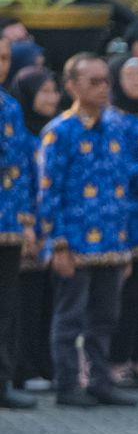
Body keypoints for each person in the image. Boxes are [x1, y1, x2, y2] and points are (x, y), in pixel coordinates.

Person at [36, 54, 138, 408]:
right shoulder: (59, 133)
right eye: (92, 82)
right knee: (70, 319)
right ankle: (67, 384)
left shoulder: (118, 129)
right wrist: (58, 244)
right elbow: (48, 192)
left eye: (105, 81)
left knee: (105, 317)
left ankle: (100, 380)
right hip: (74, 242)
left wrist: (124, 245)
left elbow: (123, 188)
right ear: (72, 86)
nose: (102, 88)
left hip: (110, 241)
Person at [8, 66, 59, 392]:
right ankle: (20, 369)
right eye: (44, 91)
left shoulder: (54, 131)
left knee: (47, 302)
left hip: (49, 228)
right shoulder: (19, 133)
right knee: (22, 305)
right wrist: (27, 225)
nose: (52, 98)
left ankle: (44, 364)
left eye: (55, 91)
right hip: (20, 228)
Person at [106, 54, 138, 389]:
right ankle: (116, 361)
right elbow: (116, 173)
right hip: (124, 219)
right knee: (127, 295)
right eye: (130, 74)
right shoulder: (112, 121)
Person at [0, 37, 37, 408]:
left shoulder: (10, 107)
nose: (2, 64)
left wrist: (27, 224)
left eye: (5, 58)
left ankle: (2, 382)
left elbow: (21, 168)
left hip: (7, 223)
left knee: (6, 309)